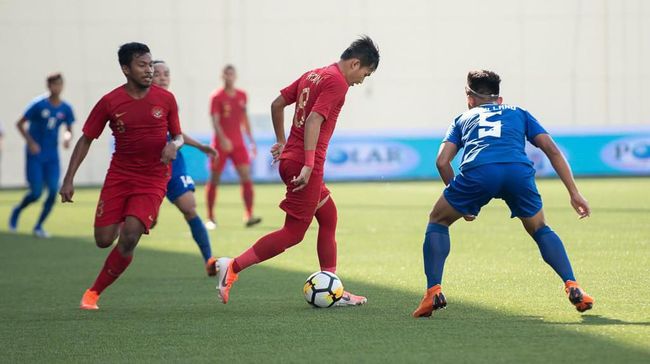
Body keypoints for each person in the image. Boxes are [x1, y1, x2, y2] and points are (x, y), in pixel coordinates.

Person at [412, 70, 594, 318]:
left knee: (438, 221)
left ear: (470, 97)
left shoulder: (462, 118)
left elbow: (442, 161)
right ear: (499, 98)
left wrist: (459, 200)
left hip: (479, 172)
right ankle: (573, 285)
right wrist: (574, 193)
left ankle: (433, 291)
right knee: (540, 228)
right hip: (517, 171)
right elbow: (551, 150)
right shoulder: (519, 112)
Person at [214, 36, 380, 306]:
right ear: (355, 63)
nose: (362, 80)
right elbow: (315, 118)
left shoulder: (313, 74)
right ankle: (232, 267)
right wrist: (309, 164)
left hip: (292, 159)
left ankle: (333, 288)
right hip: (303, 165)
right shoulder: (337, 82)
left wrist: (281, 142)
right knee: (293, 233)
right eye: (365, 73)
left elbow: (276, 104)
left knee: (328, 216)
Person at [59, 42, 184, 310]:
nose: (149, 70)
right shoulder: (110, 102)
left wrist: (174, 145)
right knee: (104, 240)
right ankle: (132, 217)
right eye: (142, 65)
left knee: (129, 236)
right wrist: (69, 179)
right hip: (120, 175)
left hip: (153, 178)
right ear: (126, 69)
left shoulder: (166, 99)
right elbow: (86, 139)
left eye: (151, 64)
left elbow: (178, 135)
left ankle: (93, 293)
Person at [151, 59, 219, 276]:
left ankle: (209, 259)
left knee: (189, 207)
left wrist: (200, 146)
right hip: (148, 168)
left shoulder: (170, 101)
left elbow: (176, 134)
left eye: (166, 74)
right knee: (146, 223)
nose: (162, 77)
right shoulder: (138, 102)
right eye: (157, 73)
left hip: (173, 164)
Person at [9, 73, 75, 238]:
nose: (57, 88)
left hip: (52, 156)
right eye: (54, 84)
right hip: (35, 154)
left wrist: (67, 139)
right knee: (36, 192)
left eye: (60, 84)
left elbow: (68, 129)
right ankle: (17, 210)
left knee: (54, 190)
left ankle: (38, 226)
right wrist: (30, 142)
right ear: (48, 86)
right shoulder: (38, 105)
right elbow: (19, 123)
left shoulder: (65, 108)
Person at [205, 65, 261, 229]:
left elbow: (244, 119)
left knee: (246, 177)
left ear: (235, 76)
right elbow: (215, 121)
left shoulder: (242, 95)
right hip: (220, 145)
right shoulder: (217, 96)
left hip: (238, 144)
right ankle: (210, 217)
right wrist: (222, 139)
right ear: (222, 76)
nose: (229, 76)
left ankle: (249, 214)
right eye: (226, 73)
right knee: (214, 179)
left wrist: (251, 141)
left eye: (232, 73)